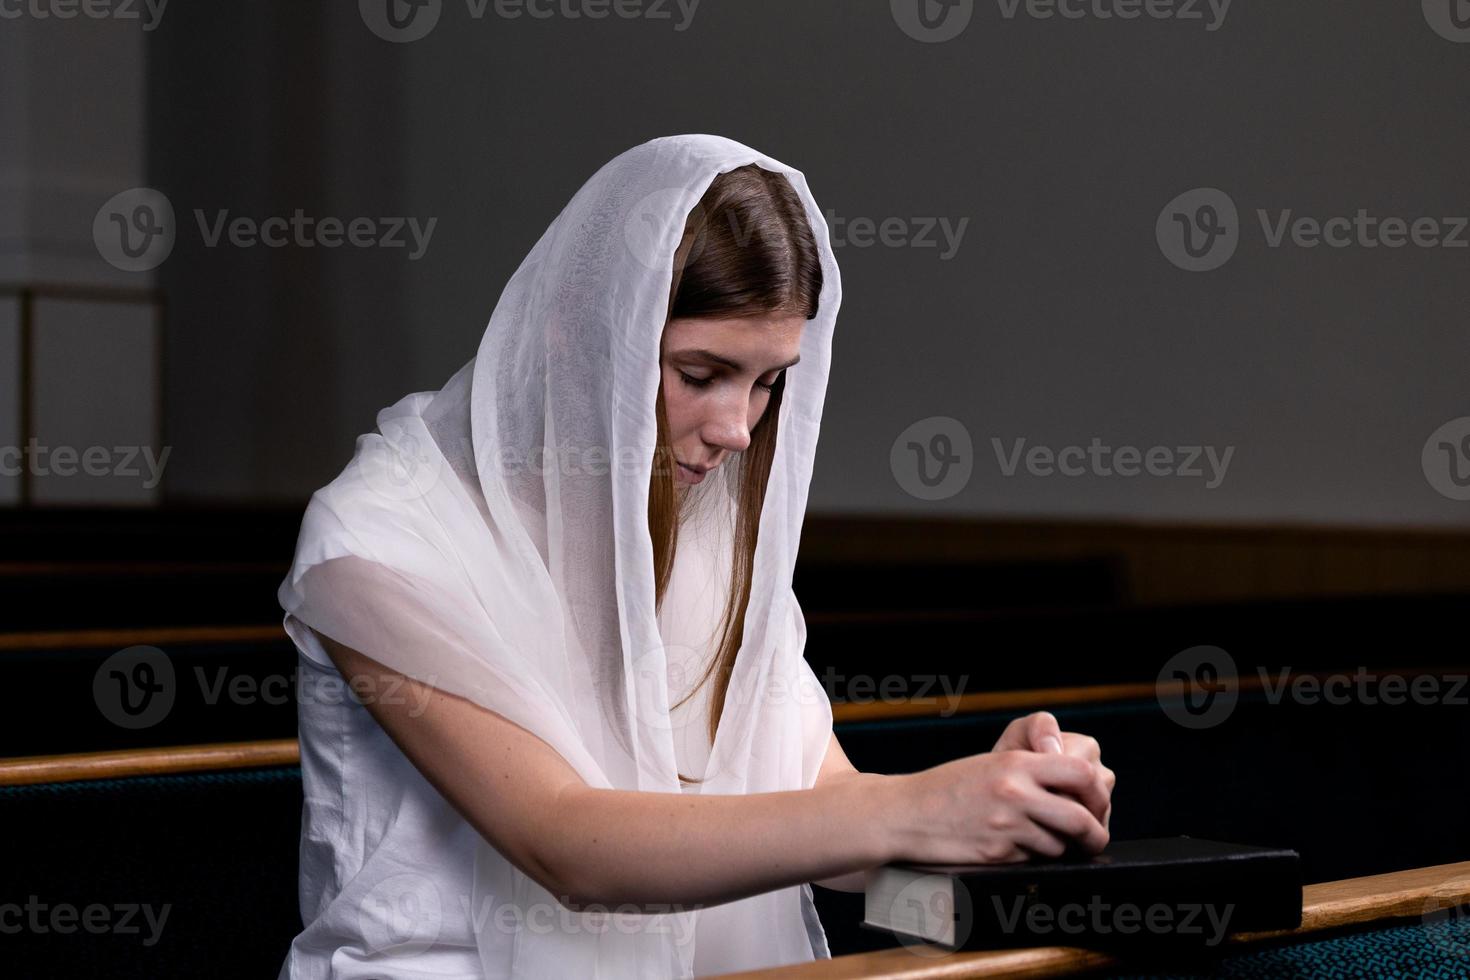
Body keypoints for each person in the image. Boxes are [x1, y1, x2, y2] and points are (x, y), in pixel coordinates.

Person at [274, 134, 1114, 978]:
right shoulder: (380, 535)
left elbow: (826, 821)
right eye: (701, 372)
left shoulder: (702, 518)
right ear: (579, 334)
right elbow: (565, 842)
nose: (738, 428)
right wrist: (911, 813)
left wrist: (997, 814)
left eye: (766, 382)